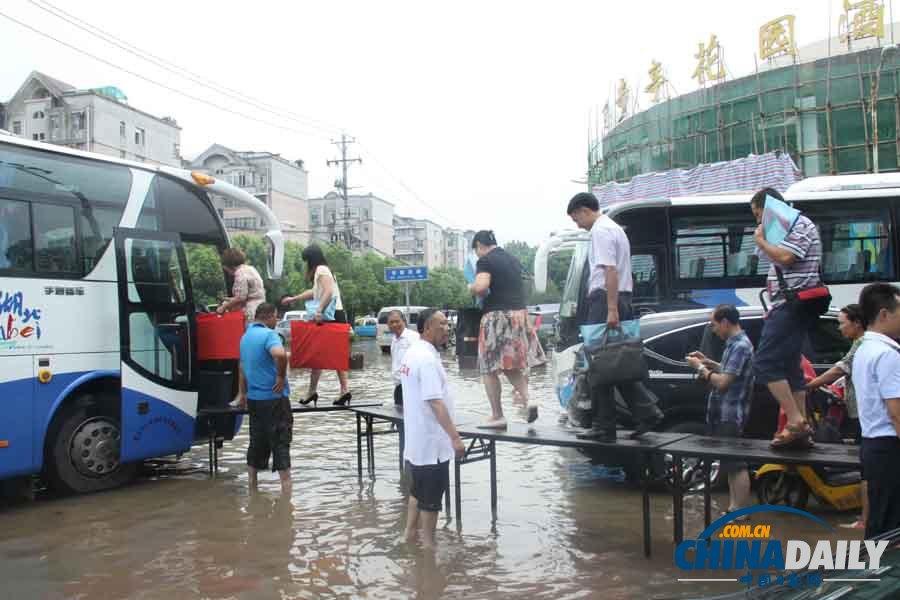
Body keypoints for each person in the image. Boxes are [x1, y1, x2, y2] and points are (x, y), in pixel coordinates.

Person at [567, 192, 662, 442]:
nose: (578, 225)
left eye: (576, 219)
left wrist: (611, 309)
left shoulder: (600, 230)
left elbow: (610, 270)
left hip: (607, 299)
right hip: (619, 298)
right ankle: (645, 413)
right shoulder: (615, 228)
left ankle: (604, 426)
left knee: (599, 364)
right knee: (614, 363)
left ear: (584, 210)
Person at [750, 187, 824, 448]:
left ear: (769, 208)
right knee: (791, 364)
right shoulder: (784, 227)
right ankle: (802, 425)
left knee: (764, 362)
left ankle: (794, 420)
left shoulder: (799, 224)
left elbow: (786, 257)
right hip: (787, 303)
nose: (757, 221)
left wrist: (761, 240)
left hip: (791, 303)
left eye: (758, 214)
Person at [401, 308, 465, 550]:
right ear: (427, 327)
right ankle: (428, 554)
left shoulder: (412, 352)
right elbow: (435, 402)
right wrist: (455, 438)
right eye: (442, 324)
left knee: (417, 492)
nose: (447, 329)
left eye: (447, 324)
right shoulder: (426, 359)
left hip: (417, 443)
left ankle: (408, 536)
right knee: (431, 502)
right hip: (432, 445)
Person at [468, 230, 546, 428]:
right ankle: (529, 399)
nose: (477, 255)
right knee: (509, 365)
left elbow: (481, 287)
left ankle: (497, 416)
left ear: (479, 245)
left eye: (476, 251)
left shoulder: (485, 261)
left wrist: (471, 287)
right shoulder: (512, 259)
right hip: (518, 315)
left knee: (488, 368)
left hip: (497, 317)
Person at [686, 304, 754, 516]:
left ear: (725, 322)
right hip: (724, 412)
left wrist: (700, 368)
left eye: (714, 325)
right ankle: (734, 508)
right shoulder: (735, 344)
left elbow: (724, 382)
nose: (713, 330)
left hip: (730, 414)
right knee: (729, 462)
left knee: (736, 464)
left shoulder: (740, 346)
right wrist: (708, 362)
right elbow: (730, 371)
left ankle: (740, 512)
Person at [805, 303, 868, 530]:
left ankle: (866, 520)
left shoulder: (863, 344)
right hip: (862, 413)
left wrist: (811, 384)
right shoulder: (862, 344)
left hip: (866, 416)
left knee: (868, 469)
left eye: (842, 323)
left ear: (857, 323)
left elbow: (841, 368)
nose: (839, 328)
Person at [852, 283, 900, 539]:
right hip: (890, 446)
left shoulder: (864, 349)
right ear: (884, 314)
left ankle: (872, 564)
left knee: (879, 523)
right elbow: (896, 412)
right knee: (890, 528)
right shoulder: (887, 354)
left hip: (873, 445)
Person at [281, 245, 351, 406]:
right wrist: (294, 298)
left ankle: (318, 391)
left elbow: (328, 292)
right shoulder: (325, 270)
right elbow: (315, 292)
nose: (307, 264)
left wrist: (319, 309)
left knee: (317, 353)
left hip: (329, 316)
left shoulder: (321, 269)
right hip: (336, 314)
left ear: (311, 259)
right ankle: (341, 390)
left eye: (307, 261)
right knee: (332, 354)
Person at [238, 302, 292, 494]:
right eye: (276, 317)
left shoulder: (245, 337)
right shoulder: (269, 335)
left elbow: (242, 368)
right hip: (274, 399)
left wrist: (242, 393)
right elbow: (280, 355)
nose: (277, 320)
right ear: (268, 316)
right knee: (280, 443)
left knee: (257, 442)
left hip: (254, 400)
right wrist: (280, 376)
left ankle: (252, 487)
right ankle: (286, 494)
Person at [217, 247, 266, 324]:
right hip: (261, 308)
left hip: (251, 312)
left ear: (228, 265)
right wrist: (228, 299)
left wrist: (223, 307)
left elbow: (241, 297)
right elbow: (249, 294)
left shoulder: (240, 273)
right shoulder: (250, 269)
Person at [388, 310, 420, 407]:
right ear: (388, 325)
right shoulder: (394, 340)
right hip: (399, 387)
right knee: (399, 414)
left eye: (397, 321)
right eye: (391, 322)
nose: (394, 324)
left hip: (411, 387)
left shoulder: (413, 338)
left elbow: (419, 362)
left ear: (404, 321)